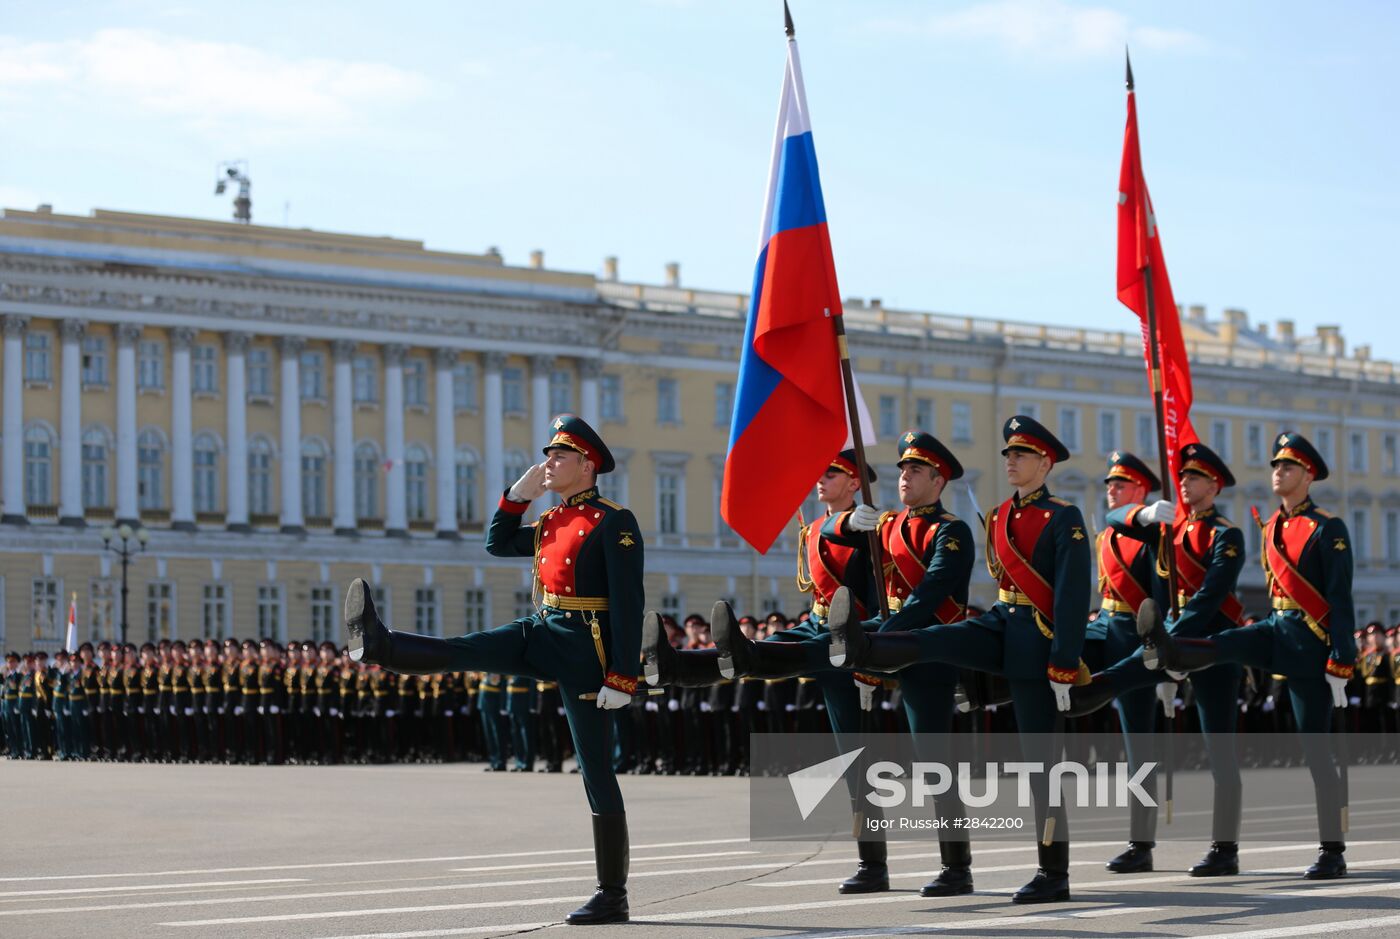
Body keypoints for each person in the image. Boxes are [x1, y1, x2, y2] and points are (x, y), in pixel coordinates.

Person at [346, 414, 643, 925]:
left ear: (587, 464)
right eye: (547, 456)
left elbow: (629, 602)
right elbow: (498, 542)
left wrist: (622, 675)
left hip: (586, 650)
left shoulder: (614, 521)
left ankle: (612, 894)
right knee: (470, 649)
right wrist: (518, 494)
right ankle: (381, 646)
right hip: (543, 628)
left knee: (595, 768)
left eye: (559, 457)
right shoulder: (551, 520)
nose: (548, 463)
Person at [824, 415, 1091, 904]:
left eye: (1021, 454)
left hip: (1037, 639)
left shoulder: (1064, 517)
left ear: (1045, 462)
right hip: (999, 624)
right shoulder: (998, 515)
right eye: (1008, 453)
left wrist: (1065, 661)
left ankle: (1053, 872)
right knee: (937, 640)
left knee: (1040, 766)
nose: (1010, 460)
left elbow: (1072, 596)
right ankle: (866, 649)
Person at [1134, 431, 1354, 879]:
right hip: (1274, 626)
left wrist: (1342, 658)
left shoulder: (1328, 528)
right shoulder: (1270, 526)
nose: (1278, 472)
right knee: (1228, 643)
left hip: (1309, 643)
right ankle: (1174, 650)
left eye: (1288, 467)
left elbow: (1340, 599)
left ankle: (1333, 850)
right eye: (1275, 466)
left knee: (1315, 750)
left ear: (1308, 475)